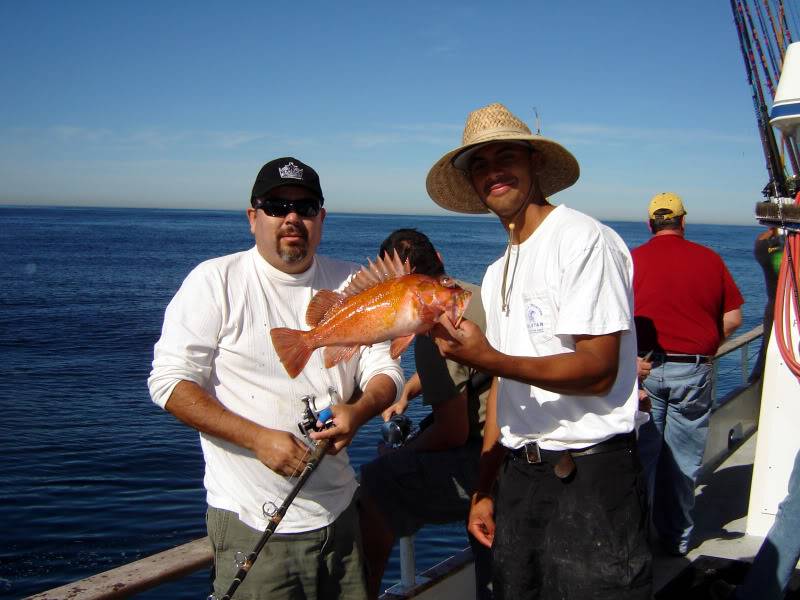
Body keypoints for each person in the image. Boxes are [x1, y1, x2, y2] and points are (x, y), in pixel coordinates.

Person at [147, 157, 403, 600]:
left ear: (321, 218)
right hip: (254, 524)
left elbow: (386, 370)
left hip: (342, 516)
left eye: (305, 208)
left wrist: (359, 411)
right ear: (253, 217)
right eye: (276, 205)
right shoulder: (215, 282)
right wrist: (257, 438)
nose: (292, 218)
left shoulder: (351, 283)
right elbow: (169, 383)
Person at [424, 102, 652, 600]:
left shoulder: (583, 240)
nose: (492, 171)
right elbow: (504, 387)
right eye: (478, 164)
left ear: (534, 164)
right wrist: (484, 487)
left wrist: (487, 359)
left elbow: (597, 371)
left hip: (591, 476)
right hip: (519, 475)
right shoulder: (496, 269)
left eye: (505, 156)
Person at [359, 228, 493, 600]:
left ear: (396, 285)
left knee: (374, 484)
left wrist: (404, 452)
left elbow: (452, 430)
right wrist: (406, 392)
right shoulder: (472, 295)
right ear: (439, 257)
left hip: (488, 457)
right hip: (520, 441)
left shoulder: (430, 325)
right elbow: (467, 371)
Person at [632, 192, 744, 557]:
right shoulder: (710, 260)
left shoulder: (632, 261)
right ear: (682, 222)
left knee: (641, 458)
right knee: (681, 460)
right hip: (693, 370)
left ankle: (634, 542)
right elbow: (733, 319)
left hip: (642, 370)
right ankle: (675, 541)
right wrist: (705, 343)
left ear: (651, 224)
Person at [751, 226, 784, 381]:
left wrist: (775, 229)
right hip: (779, 312)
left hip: (775, 313)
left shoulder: (766, 250)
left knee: (767, 362)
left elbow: (761, 242)